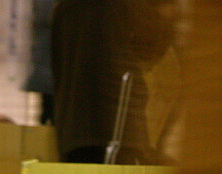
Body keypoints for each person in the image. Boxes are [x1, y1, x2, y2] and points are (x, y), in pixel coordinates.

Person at [50, 0, 177, 163]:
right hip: (118, 129)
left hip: (71, 131)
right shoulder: (125, 5)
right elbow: (151, 44)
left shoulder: (63, 6)